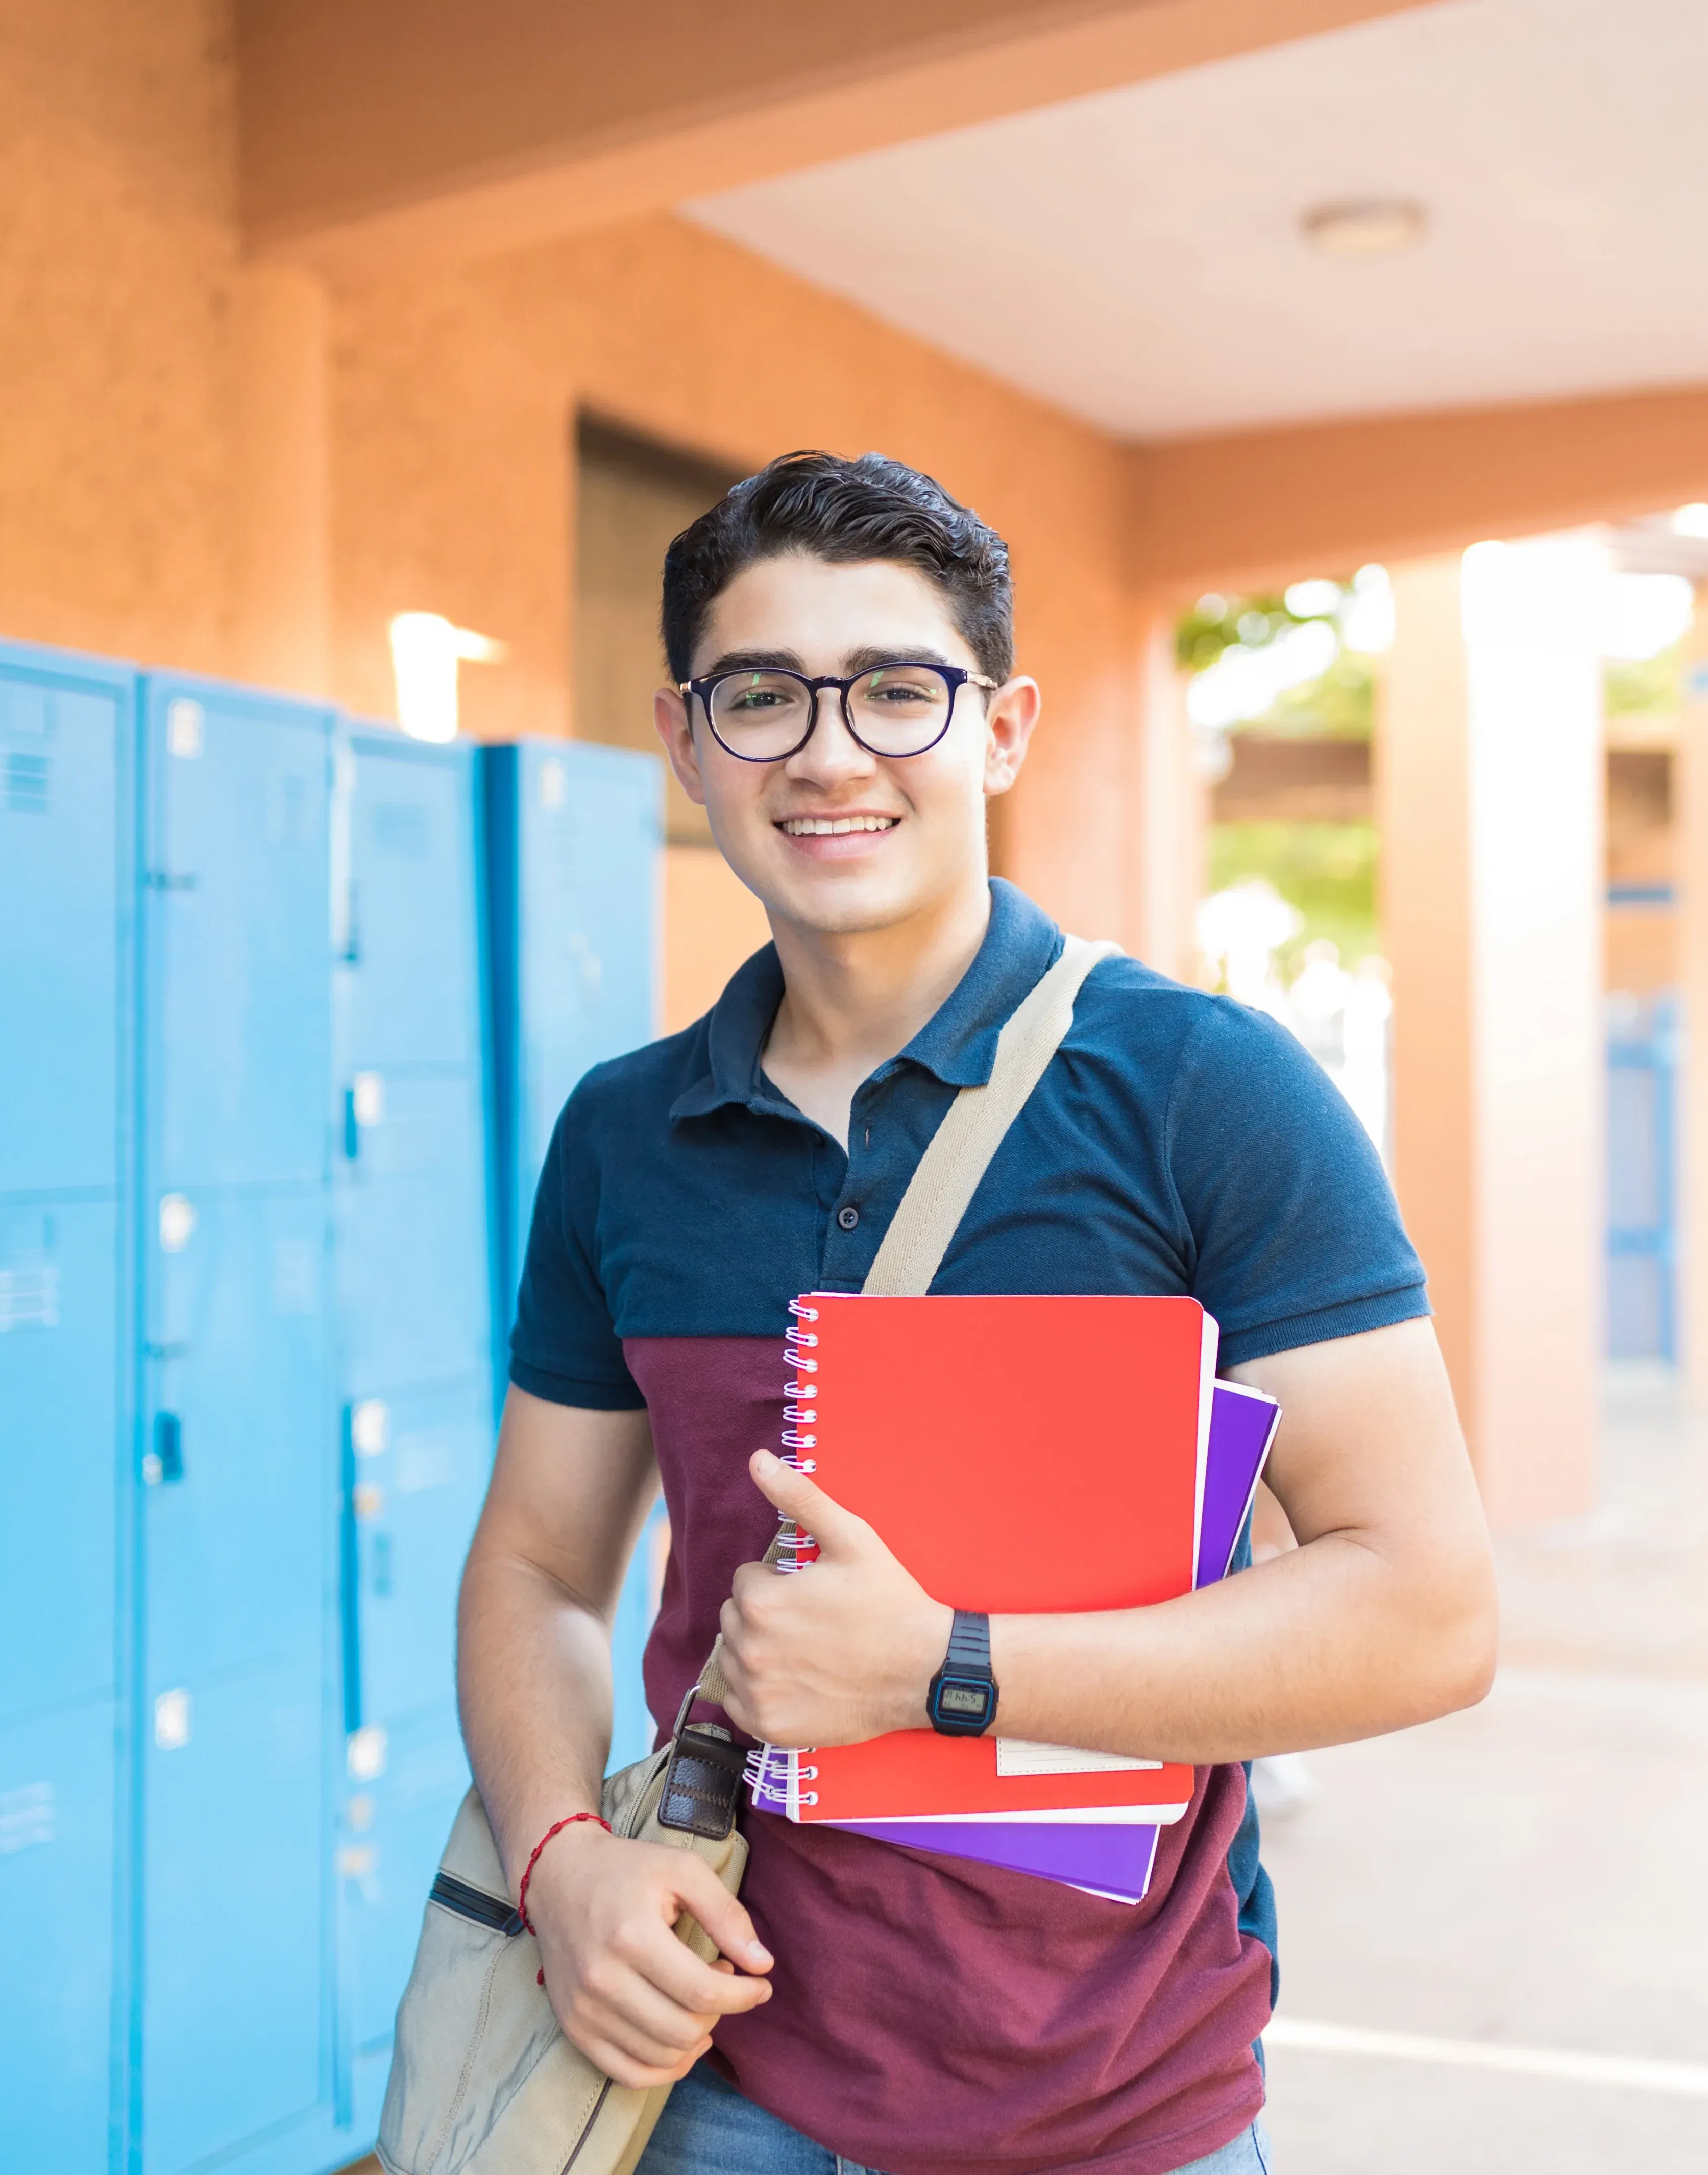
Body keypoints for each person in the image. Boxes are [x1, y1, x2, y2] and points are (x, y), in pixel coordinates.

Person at [454, 450, 1495, 2175]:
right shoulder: (621, 1135)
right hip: (710, 2079)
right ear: (685, 735)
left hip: (1109, 2105)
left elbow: (1428, 1606)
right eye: (763, 696)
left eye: (896, 690)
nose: (830, 752)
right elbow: (538, 1568)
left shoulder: (1201, 1091)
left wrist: (941, 1669)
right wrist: (564, 1855)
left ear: (999, 730)